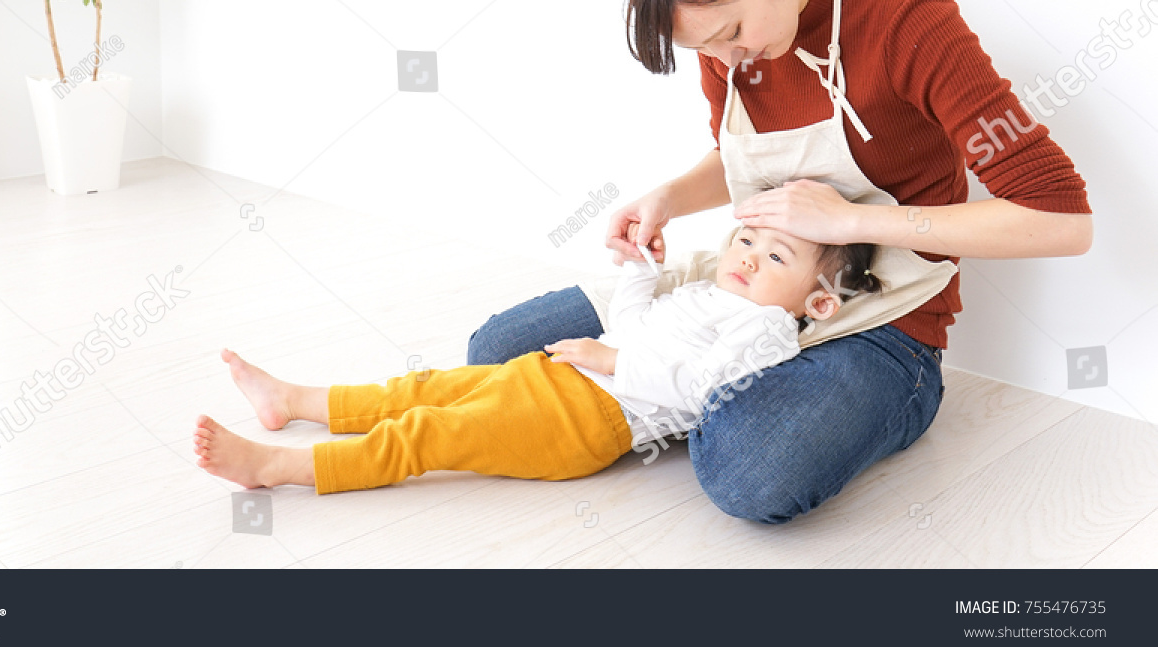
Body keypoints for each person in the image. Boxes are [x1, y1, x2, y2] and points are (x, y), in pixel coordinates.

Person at [464, 0, 1093, 524]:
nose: (726, 58)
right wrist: (671, 198)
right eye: (703, 49)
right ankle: (694, 389)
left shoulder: (911, 24)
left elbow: (1060, 220)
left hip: (880, 327)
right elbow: (737, 156)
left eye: (731, 32)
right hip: (744, 294)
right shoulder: (732, 46)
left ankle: (702, 396)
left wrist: (848, 220)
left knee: (749, 473)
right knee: (497, 353)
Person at [192, 224, 881, 493]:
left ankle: (281, 469)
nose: (749, 259)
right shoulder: (713, 289)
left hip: (585, 420)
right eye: (748, 242)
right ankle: (296, 401)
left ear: (816, 302)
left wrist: (609, 361)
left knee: (429, 433)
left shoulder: (767, 330)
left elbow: (701, 388)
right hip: (559, 377)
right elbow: (634, 324)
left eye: (777, 258)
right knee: (427, 388)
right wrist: (643, 267)